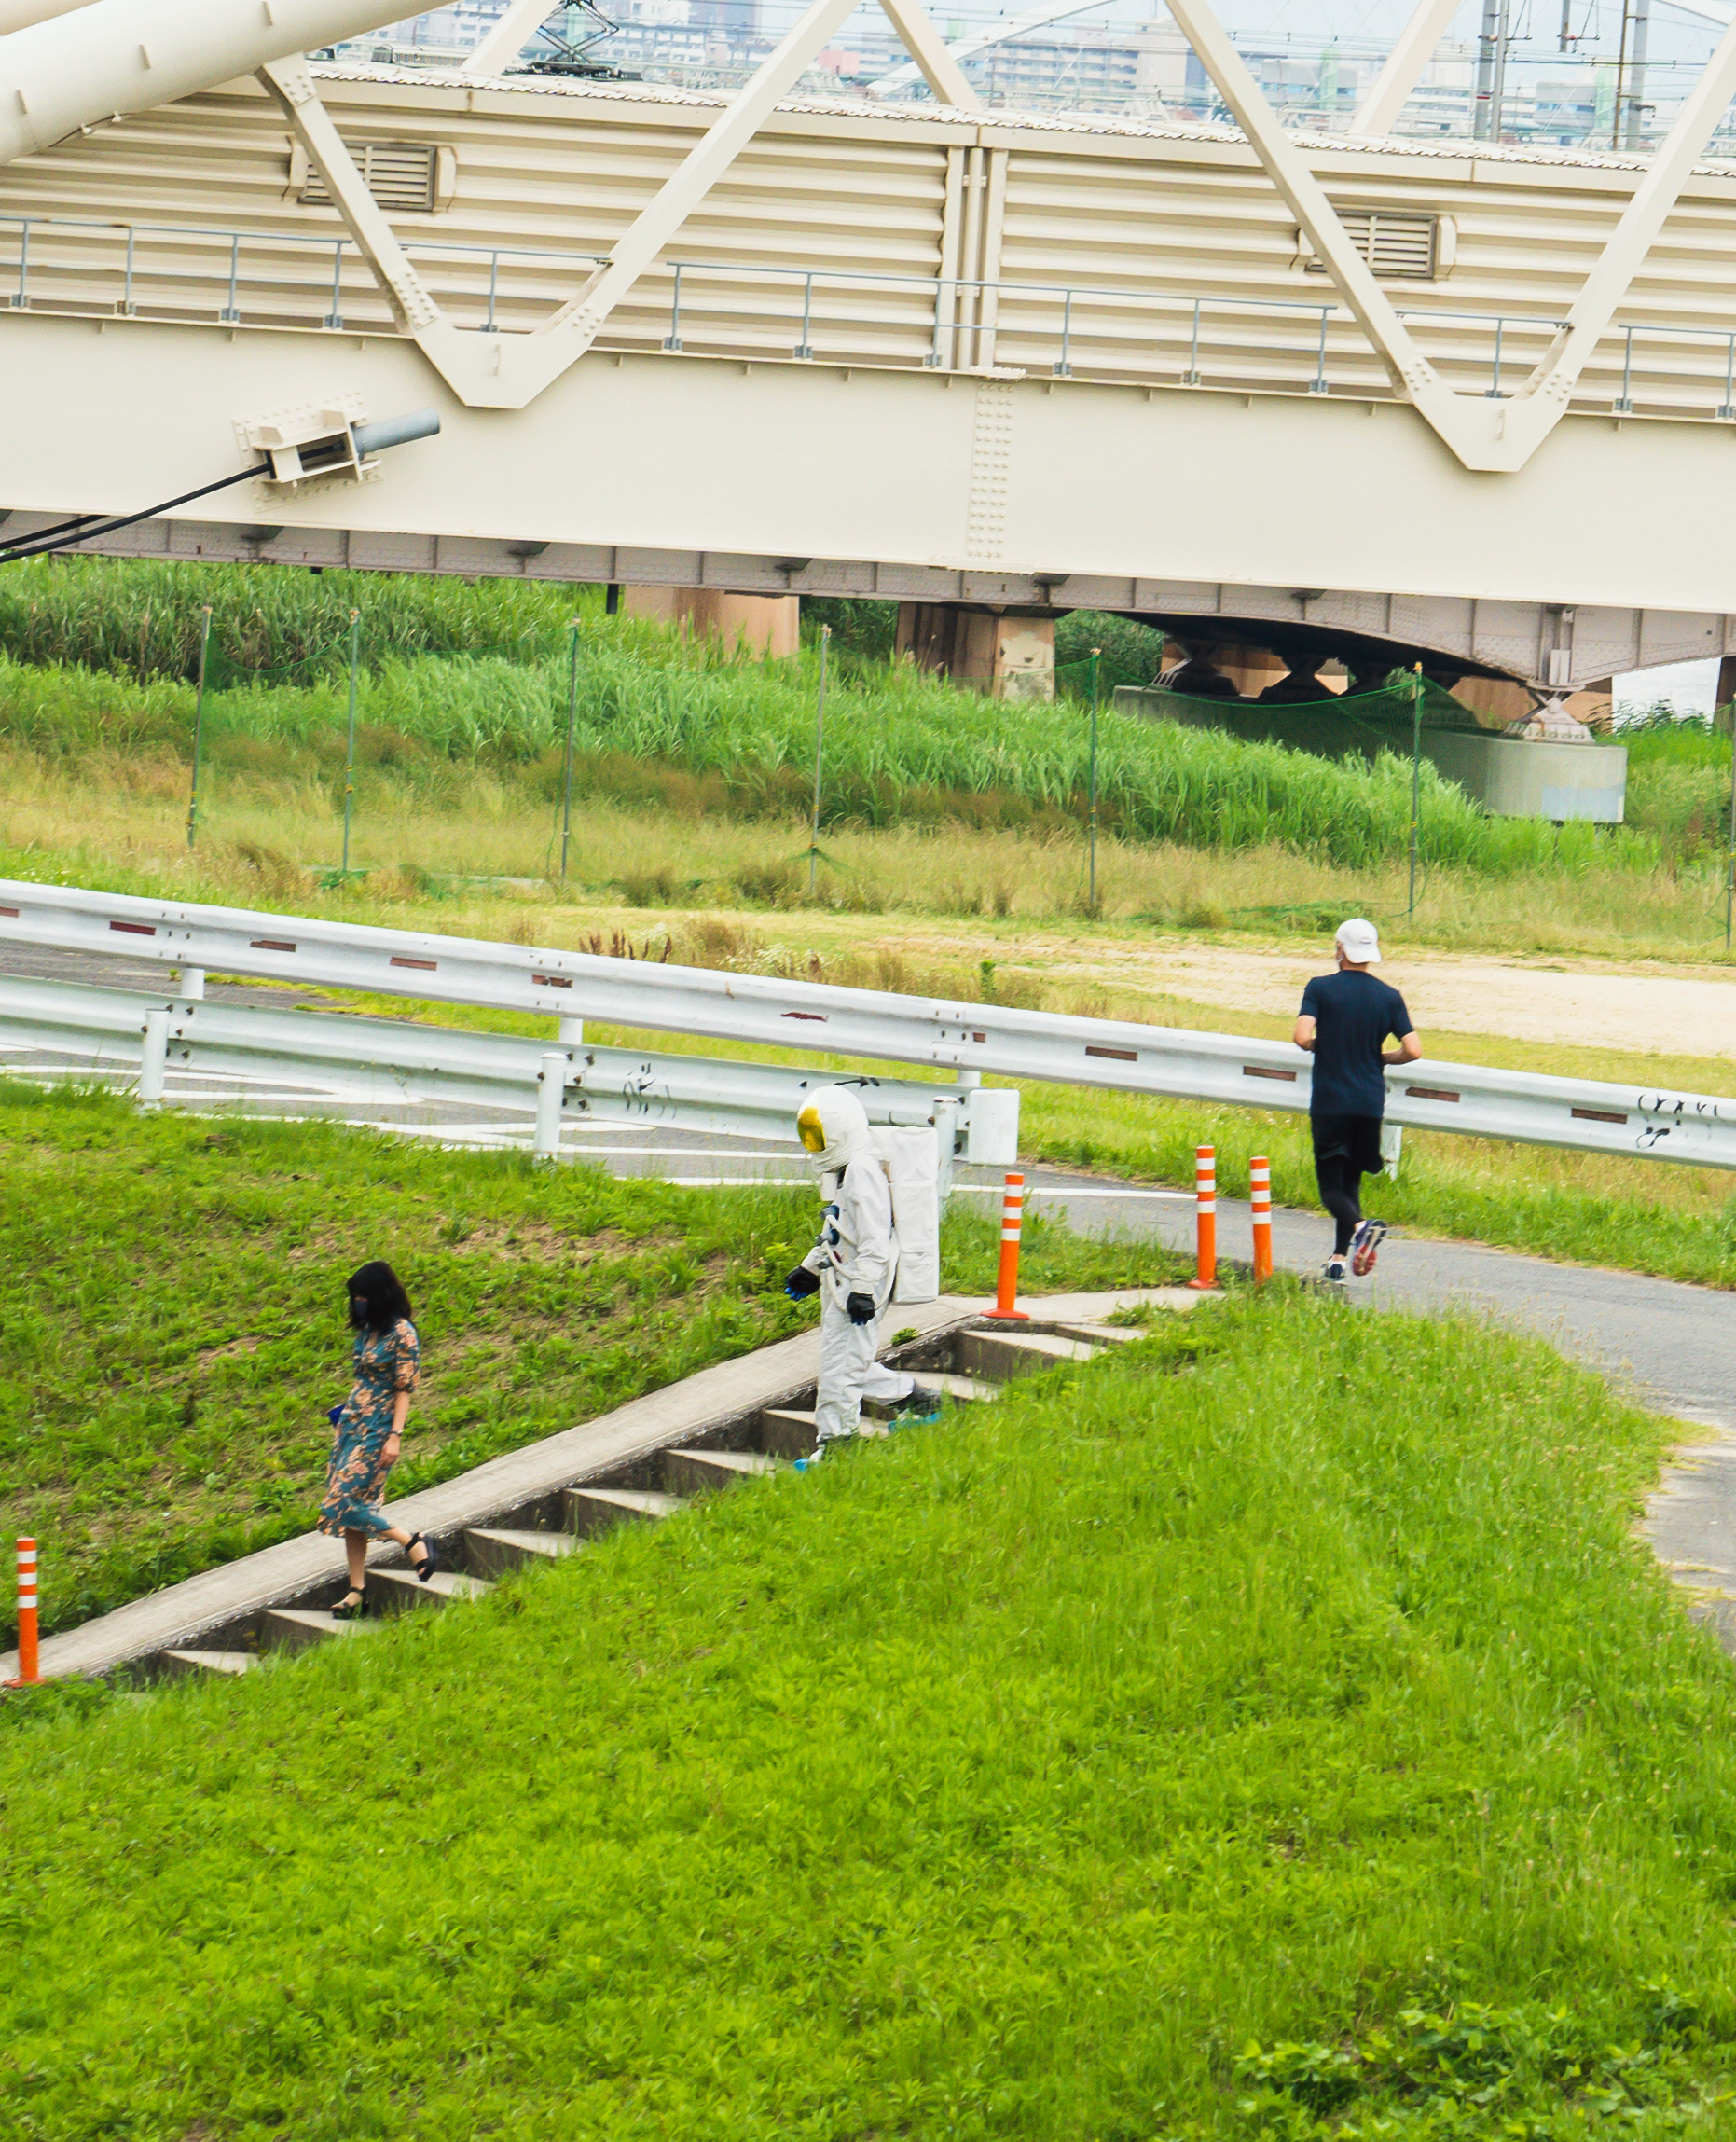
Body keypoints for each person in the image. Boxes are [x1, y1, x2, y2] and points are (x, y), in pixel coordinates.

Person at [783, 1086, 940, 1462]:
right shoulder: (849, 1169)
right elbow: (841, 1229)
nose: (815, 1143)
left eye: (818, 1135)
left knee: (841, 1369)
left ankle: (837, 1446)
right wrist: (809, 1267)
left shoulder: (862, 1171)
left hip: (858, 1286)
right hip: (846, 1282)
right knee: (844, 1363)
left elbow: (874, 1239)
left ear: (839, 1130)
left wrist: (863, 1290)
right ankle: (918, 1401)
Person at [1293, 919, 1422, 1288]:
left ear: (1339, 949)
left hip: (1331, 1101)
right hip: (1368, 1102)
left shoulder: (1320, 988)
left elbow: (1301, 1037)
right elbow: (1413, 1050)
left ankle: (1363, 1228)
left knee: (1331, 1189)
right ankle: (1338, 1260)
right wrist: (1381, 1058)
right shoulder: (1389, 996)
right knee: (1350, 1183)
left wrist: (1321, 1045)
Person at [318, 1259, 436, 1617]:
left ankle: (412, 1541)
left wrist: (395, 1436)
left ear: (381, 1295)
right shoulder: (368, 1331)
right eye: (356, 1297)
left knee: (343, 1501)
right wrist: (344, 1412)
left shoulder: (403, 1333)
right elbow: (365, 1379)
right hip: (351, 1427)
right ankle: (356, 1590)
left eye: (364, 1296)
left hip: (378, 1431)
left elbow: (404, 1389)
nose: (359, 1302)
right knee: (353, 1509)